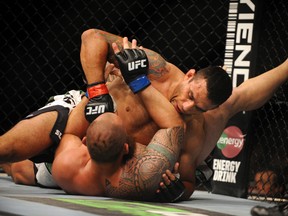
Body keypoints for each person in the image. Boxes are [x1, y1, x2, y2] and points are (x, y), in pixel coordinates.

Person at [78, 29, 288, 201]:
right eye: (189, 95)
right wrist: (97, 90)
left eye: (198, 107)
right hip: (101, 133)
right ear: (189, 75)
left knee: (229, 104)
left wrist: (177, 190)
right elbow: (91, 36)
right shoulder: (155, 68)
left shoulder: (193, 127)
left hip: (141, 160)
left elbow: (187, 183)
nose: (187, 107)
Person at [52, 44, 185, 201]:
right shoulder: (143, 174)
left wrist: (97, 88)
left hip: (63, 180)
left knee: (27, 170)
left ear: (85, 141)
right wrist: (138, 80)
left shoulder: (62, 167)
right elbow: (175, 126)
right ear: (126, 149)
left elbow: (70, 132)